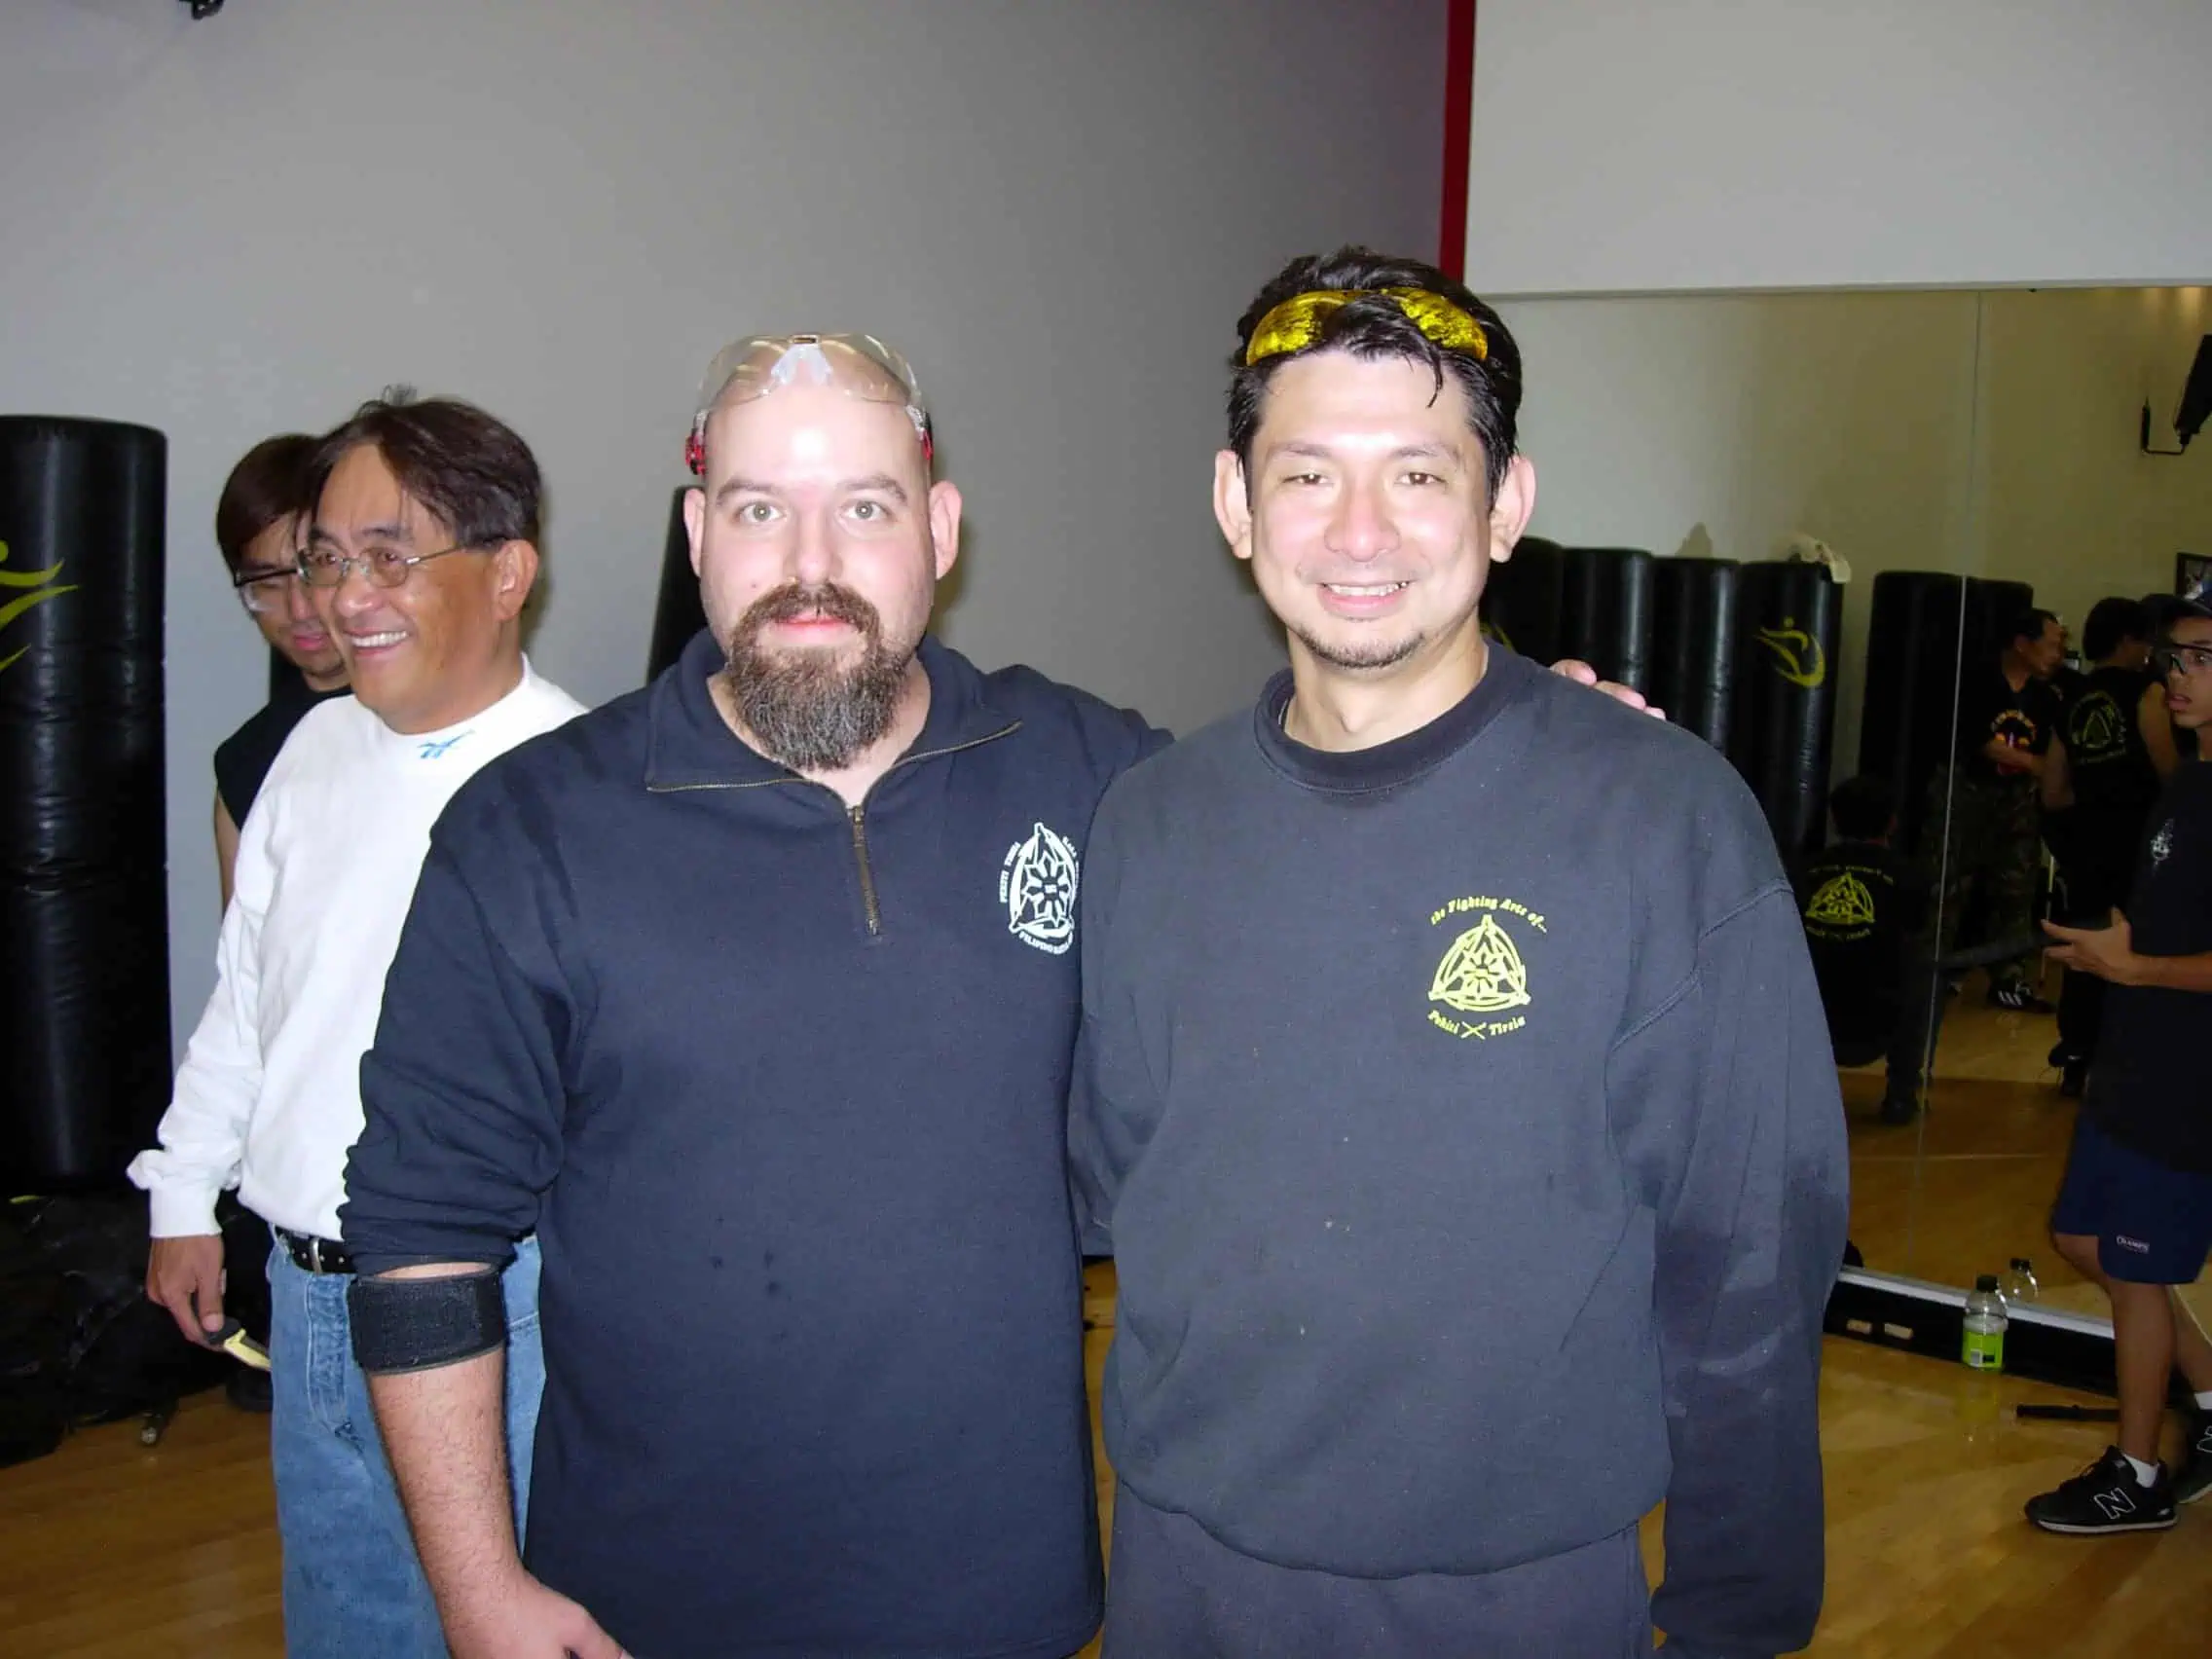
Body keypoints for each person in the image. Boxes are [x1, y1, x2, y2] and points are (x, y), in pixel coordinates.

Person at [337, 333, 1657, 1659]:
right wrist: (479, 1591)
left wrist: (1519, 754)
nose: (811, 563)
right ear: (698, 535)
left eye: (866, 508)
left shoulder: (1092, 775)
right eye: (759, 510)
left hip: (1002, 1600)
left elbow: (1331, 826)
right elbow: (419, 1243)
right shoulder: (532, 831)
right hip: (654, 1609)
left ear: (940, 530)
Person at [1069, 249, 1850, 1658]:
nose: (1360, 530)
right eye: (1308, 473)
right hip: (1184, 1578)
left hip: (1514, 1594)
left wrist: (1738, 1618)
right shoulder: (1149, 822)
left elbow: (1751, 1257)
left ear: (1507, 507)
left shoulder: (1660, 822)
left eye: (1420, 473)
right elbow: (1110, 1182)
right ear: (1236, 504)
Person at [128, 392, 584, 1656]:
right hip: (304, 1291)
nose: (341, 597)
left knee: (497, 1622)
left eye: (389, 556)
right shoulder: (311, 752)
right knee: (345, 1623)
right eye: (327, 559)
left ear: (507, 574)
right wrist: (184, 1192)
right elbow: (248, 994)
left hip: (495, 1310)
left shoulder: (578, 785)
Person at [2028, 593, 2212, 1530]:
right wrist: (2118, 954)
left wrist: (2137, 967)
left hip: (2189, 1080)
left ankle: (2136, 1478)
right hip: (2138, 1057)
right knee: (2082, 1240)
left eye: (2201, 659)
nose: (2177, 676)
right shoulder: (2185, 785)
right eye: (2174, 658)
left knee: (2137, 1272)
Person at [2041, 597, 2177, 1094]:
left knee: (2086, 952)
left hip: (2086, 848)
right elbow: (2170, 774)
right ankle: (2132, 1062)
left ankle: (2077, 1054)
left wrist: (2098, 787)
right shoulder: (2148, 693)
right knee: (2140, 950)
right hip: (2141, 847)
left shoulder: (2070, 700)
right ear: (2127, 641)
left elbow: (2053, 793)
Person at [210, 433, 350, 907]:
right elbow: (242, 943)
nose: (299, 609)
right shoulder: (247, 759)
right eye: (267, 582)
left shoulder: (428, 722)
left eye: (316, 570)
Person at [1924, 606, 2065, 1012]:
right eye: (2051, 644)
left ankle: (2009, 978)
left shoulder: (2047, 697)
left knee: (2016, 888)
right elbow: (1979, 741)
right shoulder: (1975, 682)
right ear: (2022, 644)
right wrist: (2036, 764)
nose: (2057, 654)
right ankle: (1934, 973)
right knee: (1946, 884)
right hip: (1965, 792)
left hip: (2017, 800)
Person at [1797, 775, 1933, 1124]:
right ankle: (1901, 1094)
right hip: (1881, 1017)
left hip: (1813, 1016)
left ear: (1834, 820)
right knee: (1924, 971)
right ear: (1892, 822)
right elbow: (1918, 928)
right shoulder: (1908, 874)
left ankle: (1795, 1093)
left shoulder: (1804, 871)